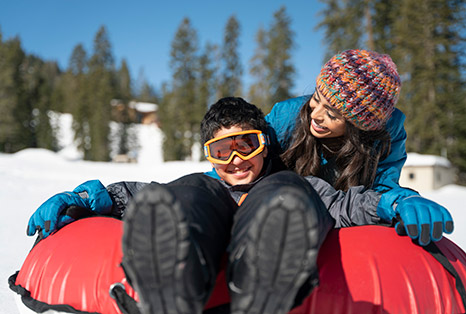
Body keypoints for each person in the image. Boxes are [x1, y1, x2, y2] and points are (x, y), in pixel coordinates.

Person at [26, 97, 392, 314]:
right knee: (187, 192)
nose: (235, 159)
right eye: (221, 150)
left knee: (288, 190)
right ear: (210, 155)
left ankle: (268, 269)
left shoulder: (298, 184)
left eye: (245, 145)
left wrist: (392, 202)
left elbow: (348, 205)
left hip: (275, 214)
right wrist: (83, 200)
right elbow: (129, 194)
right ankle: (169, 280)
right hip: (200, 219)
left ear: (264, 143)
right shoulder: (204, 184)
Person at [263, 49, 454, 246]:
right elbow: (249, 159)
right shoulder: (284, 118)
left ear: (358, 126)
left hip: (346, 223)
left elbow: (382, 187)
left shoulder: (385, 136)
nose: (315, 115)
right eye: (317, 98)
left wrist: (402, 200)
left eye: (332, 114)